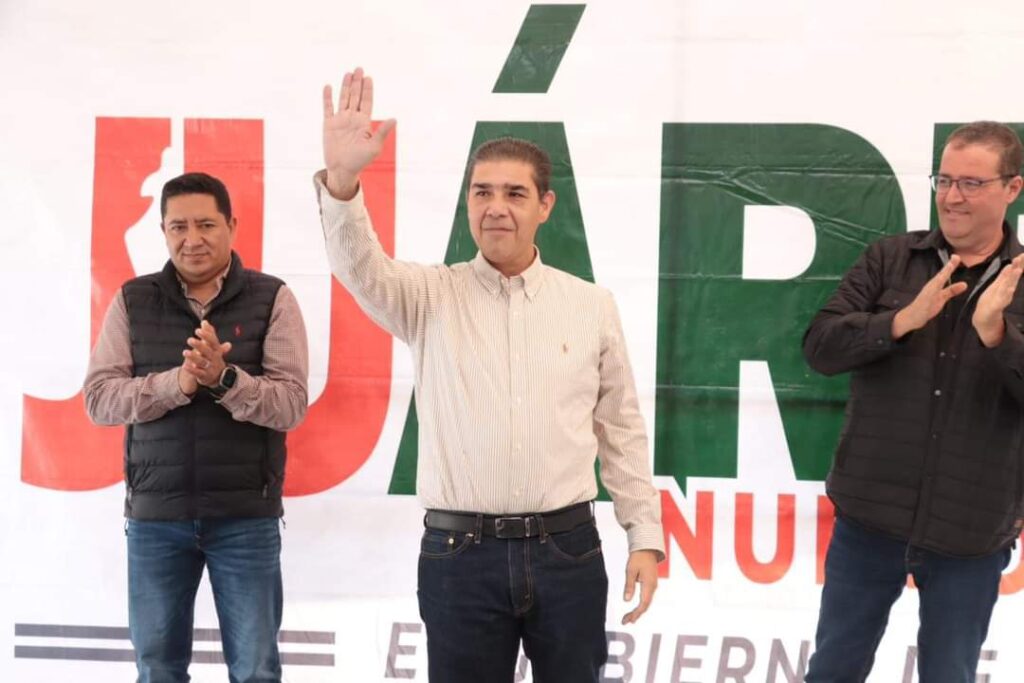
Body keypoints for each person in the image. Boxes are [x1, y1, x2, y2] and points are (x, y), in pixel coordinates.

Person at [315, 67, 664, 682]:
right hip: (460, 557)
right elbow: (358, 267)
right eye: (482, 192)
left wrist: (644, 535)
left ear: (545, 205)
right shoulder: (427, 296)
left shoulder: (590, 306)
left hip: (568, 551)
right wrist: (342, 183)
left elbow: (621, 429)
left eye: (514, 193)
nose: (496, 207)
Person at [803, 121, 1024, 682]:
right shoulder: (889, 260)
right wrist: (901, 321)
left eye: (971, 183)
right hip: (869, 519)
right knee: (832, 670)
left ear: (1012, 188)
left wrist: (998, 335)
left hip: (970, 532)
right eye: (944, 180)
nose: (952, 197)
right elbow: (820, 348)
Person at [84, 172, 309, 683]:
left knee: (255, 670)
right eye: (178, 226)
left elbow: (292, 405)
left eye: (206, 224)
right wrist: (178, 384)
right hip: (156, 520)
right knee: (157, 668)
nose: (193, 239)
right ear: (163, 231)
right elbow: (99, 400)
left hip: (245, 518)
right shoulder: (132, 300)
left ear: (232, 225)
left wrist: (225, 380)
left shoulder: (273, 298)